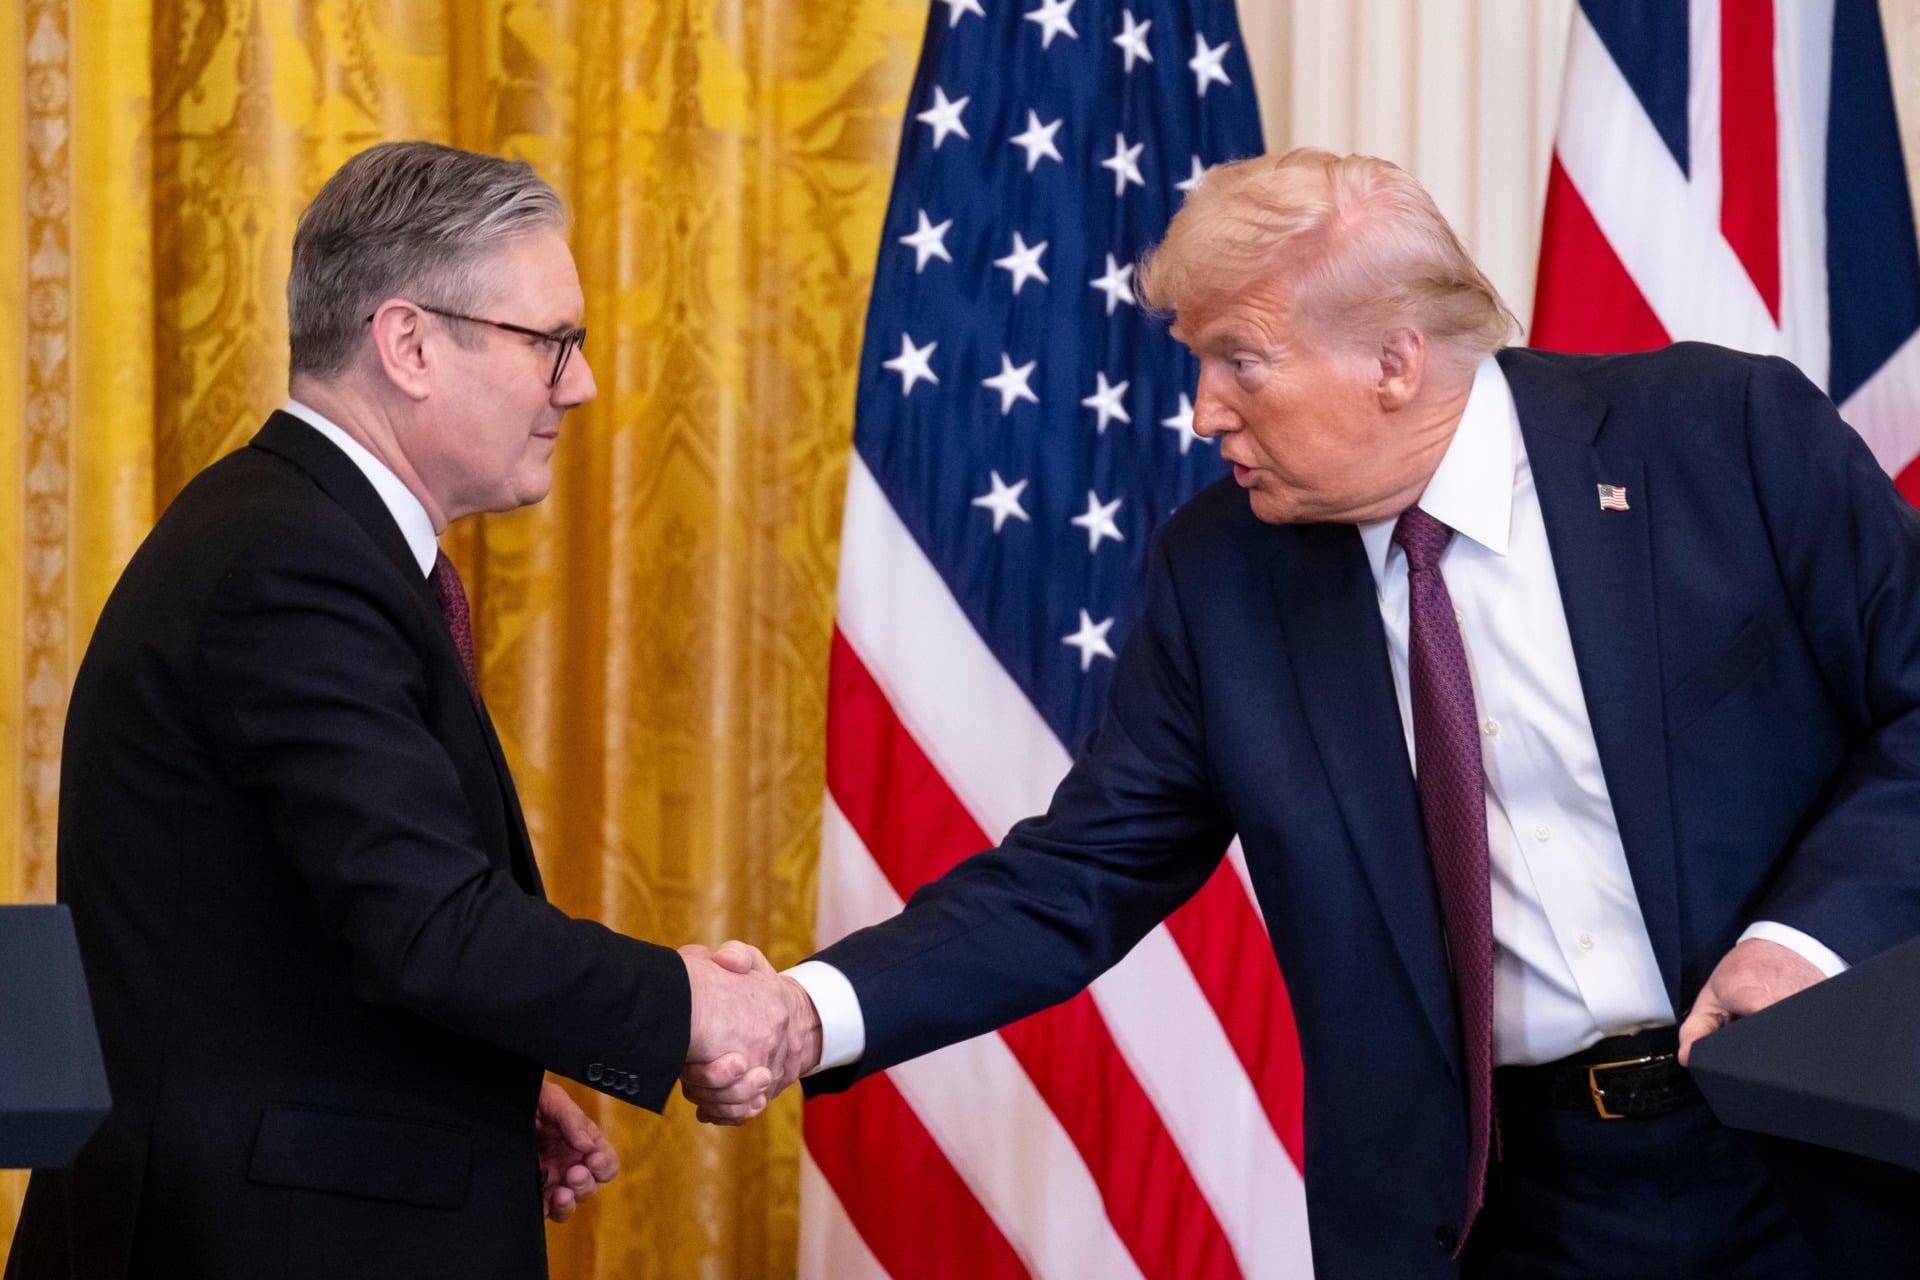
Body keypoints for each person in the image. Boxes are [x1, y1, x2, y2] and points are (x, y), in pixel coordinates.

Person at [686, 148, 1920, 1277]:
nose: (1206, 410)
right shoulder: (1222, 573)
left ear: (1393, 357)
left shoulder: (1720, 437)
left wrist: (1805, 940)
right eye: (1197, 362)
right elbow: (1084, 869)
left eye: (1241, 360)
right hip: (1501, 1211)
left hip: (1813, 1152)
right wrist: (810, 1008)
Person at [4, 141, 812, 1280]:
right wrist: (691, 1003)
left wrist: (471, 1084)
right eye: (554, 343)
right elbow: (430, 924)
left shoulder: (301, 534)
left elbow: (294, 928)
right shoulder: (291, 562)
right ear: (411, 343)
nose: (578, 384)